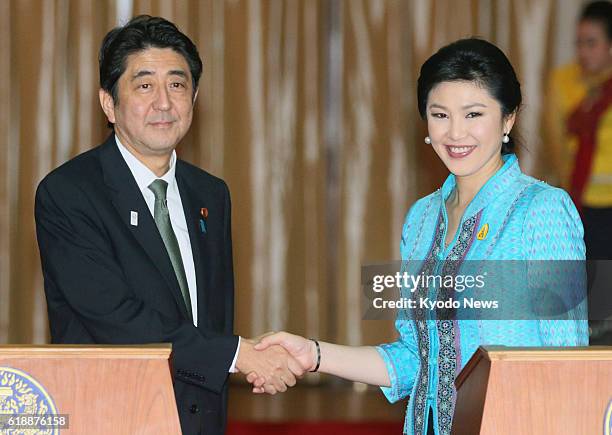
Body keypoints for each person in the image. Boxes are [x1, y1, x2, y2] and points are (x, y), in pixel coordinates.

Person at [252, 38, 589, 435]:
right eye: (440, 114)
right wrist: (314, 354)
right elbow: (415, 359)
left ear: (508, 119)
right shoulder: (422, 218)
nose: (456, 132)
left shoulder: (543, 210)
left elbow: (570, 365)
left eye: (474, 114)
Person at [35, 15, 302, 435]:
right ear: (109, 103)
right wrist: (238, 355)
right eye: (144, 85)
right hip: (109, 418)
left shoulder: (210, 195)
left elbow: (212, 317)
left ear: (194, 97)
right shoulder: (70, 193)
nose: (164, 102)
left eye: (177, 85)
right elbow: (116, 319)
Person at [545, 0, 612, 260]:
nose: (583, 51)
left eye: (591, 43)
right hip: (578, 200)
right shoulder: (562, 81)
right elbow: (556, 142)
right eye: (579, 43)